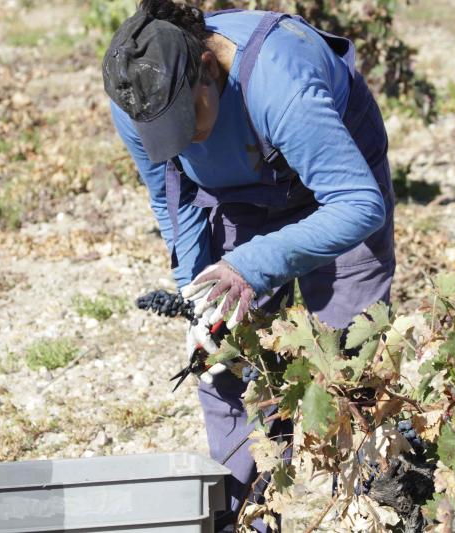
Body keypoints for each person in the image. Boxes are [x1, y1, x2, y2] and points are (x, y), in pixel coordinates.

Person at [101, 1, 396, 530]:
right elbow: (174, 199)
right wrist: (197, 295)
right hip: (239, 193)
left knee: (353, 354)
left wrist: (248, 266)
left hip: (336, 183)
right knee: (224, 357)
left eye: (190, 122)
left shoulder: (279, 84)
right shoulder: (135, 98)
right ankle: (244, 516)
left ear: (209, 70)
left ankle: (373, 508)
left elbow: (358, 203)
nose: (188, 140)